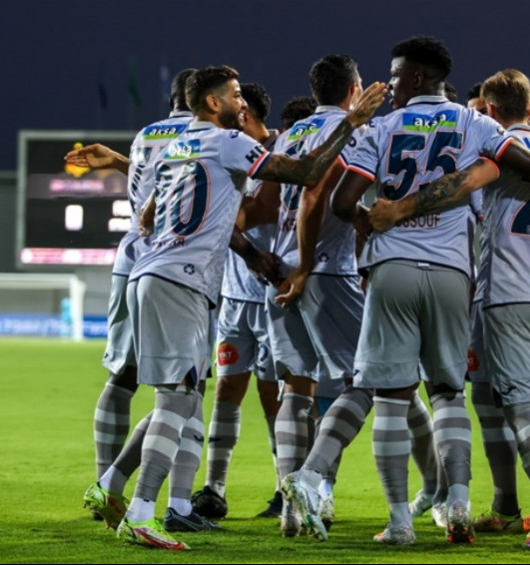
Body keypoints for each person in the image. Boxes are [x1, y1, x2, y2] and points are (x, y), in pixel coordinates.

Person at [72, 64, 386, 550]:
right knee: (178, 398)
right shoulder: (231, 143)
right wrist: (351, 122)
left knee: (180, 397)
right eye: (236, 95)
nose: (242, 102)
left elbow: (149, 211)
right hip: (184, 282)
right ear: (213, 103)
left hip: (149, 272)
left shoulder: (178, 145)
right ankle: (140, 512)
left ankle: (111, 484)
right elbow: (304, 174)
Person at [330, 38, 530, 547]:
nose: (388, 85)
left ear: (416, 78)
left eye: (394, 76)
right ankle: (458, 500)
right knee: (448, 392)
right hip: (454, 271)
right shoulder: (473, 122)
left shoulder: (382, 128)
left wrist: (369, 224)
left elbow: (342, 200)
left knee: (390, 398)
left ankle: (398, 522)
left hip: (392, 267)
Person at [366, 68, 530, 549]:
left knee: (521, 409)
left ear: (493, 110)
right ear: (529, 105)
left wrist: (400, 209)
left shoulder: (497, 147)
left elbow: (463, 184)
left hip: (509, 293)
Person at [263, 54, 437, 542]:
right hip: (321, 271)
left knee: (297, 390)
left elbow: (262, 199)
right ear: (355, 89)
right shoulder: (352, 129)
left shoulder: (292, 133)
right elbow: (315, 197)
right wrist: (305, 263)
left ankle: (291, 510)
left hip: (277, 272)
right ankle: (318, 486)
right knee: (373, 379)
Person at [69, 68, 196, 525]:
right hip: (176, 266)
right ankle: (174, 501)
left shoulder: (147, 135)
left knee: (122, 376)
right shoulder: (205, 135)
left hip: (130, 260)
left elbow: (151, 179)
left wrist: (121, 161)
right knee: (185, 388)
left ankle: (105, 483)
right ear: (202, 99)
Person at [190, 82, 285, 521]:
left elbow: (260, 211)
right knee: (227, 388)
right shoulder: (225, 151)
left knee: (273, 395)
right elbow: (221, 215)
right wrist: (243, 243)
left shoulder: (277, 150)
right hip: (235, 295)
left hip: (275, 294)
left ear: (244, 116)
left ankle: (286, 486)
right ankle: (214, 487)